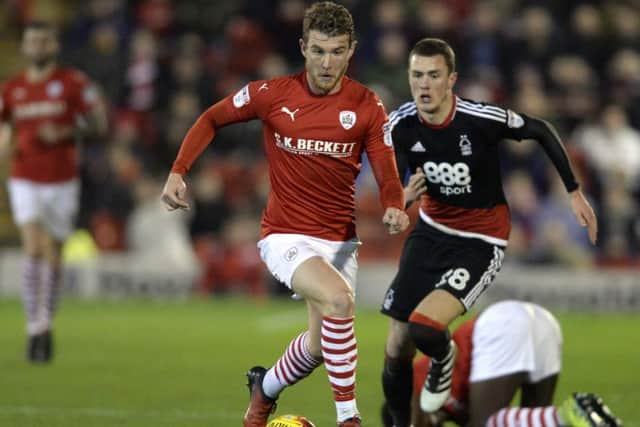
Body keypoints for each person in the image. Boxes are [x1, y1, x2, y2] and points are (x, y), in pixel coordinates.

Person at [160, 2, 409, 426]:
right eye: (318, 51)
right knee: (339, 300)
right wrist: (178, 172)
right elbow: (211, 118)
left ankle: (265, 389)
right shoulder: (271, 94)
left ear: (351, 51)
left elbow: (386, 169)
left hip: (339, 243)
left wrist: (393, 205)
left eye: (336, 51)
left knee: (317, 346)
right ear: (302, 48)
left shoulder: (367, 106)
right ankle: (349, 418)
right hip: (286, 235)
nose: (326, 62)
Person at [379, 38, 598, 427]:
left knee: (425, 328)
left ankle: (443, 358)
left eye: (433, 76)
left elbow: (541, 130)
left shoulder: (480, 118)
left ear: (451, 81)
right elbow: (396, 191)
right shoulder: (400, 124)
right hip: (431, 232)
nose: (424, 85)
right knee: (396, 346)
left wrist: (574, 192)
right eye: (417, 76)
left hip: (480, 240)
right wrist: (400, 203)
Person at [0, 21, 107, 363]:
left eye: (44, 41)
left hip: (61, 178)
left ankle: (46, 320)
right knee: (33, 246)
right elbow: (4, 124)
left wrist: (62, 131)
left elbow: (98, 123)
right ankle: (35, 327)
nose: (38, 47)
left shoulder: (72, 83)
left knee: (53, 254)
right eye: (33, 42)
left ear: (53, 46)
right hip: (24, 176)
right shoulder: (12, 88)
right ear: (26, 47)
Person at [381, 300, 623, 427]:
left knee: (484, 424)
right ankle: (582, 414)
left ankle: (565, 415)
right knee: (533, 421)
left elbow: (414, 412)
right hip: (542, 322)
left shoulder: (416, 384)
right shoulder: (454, 413)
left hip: (499, 326)